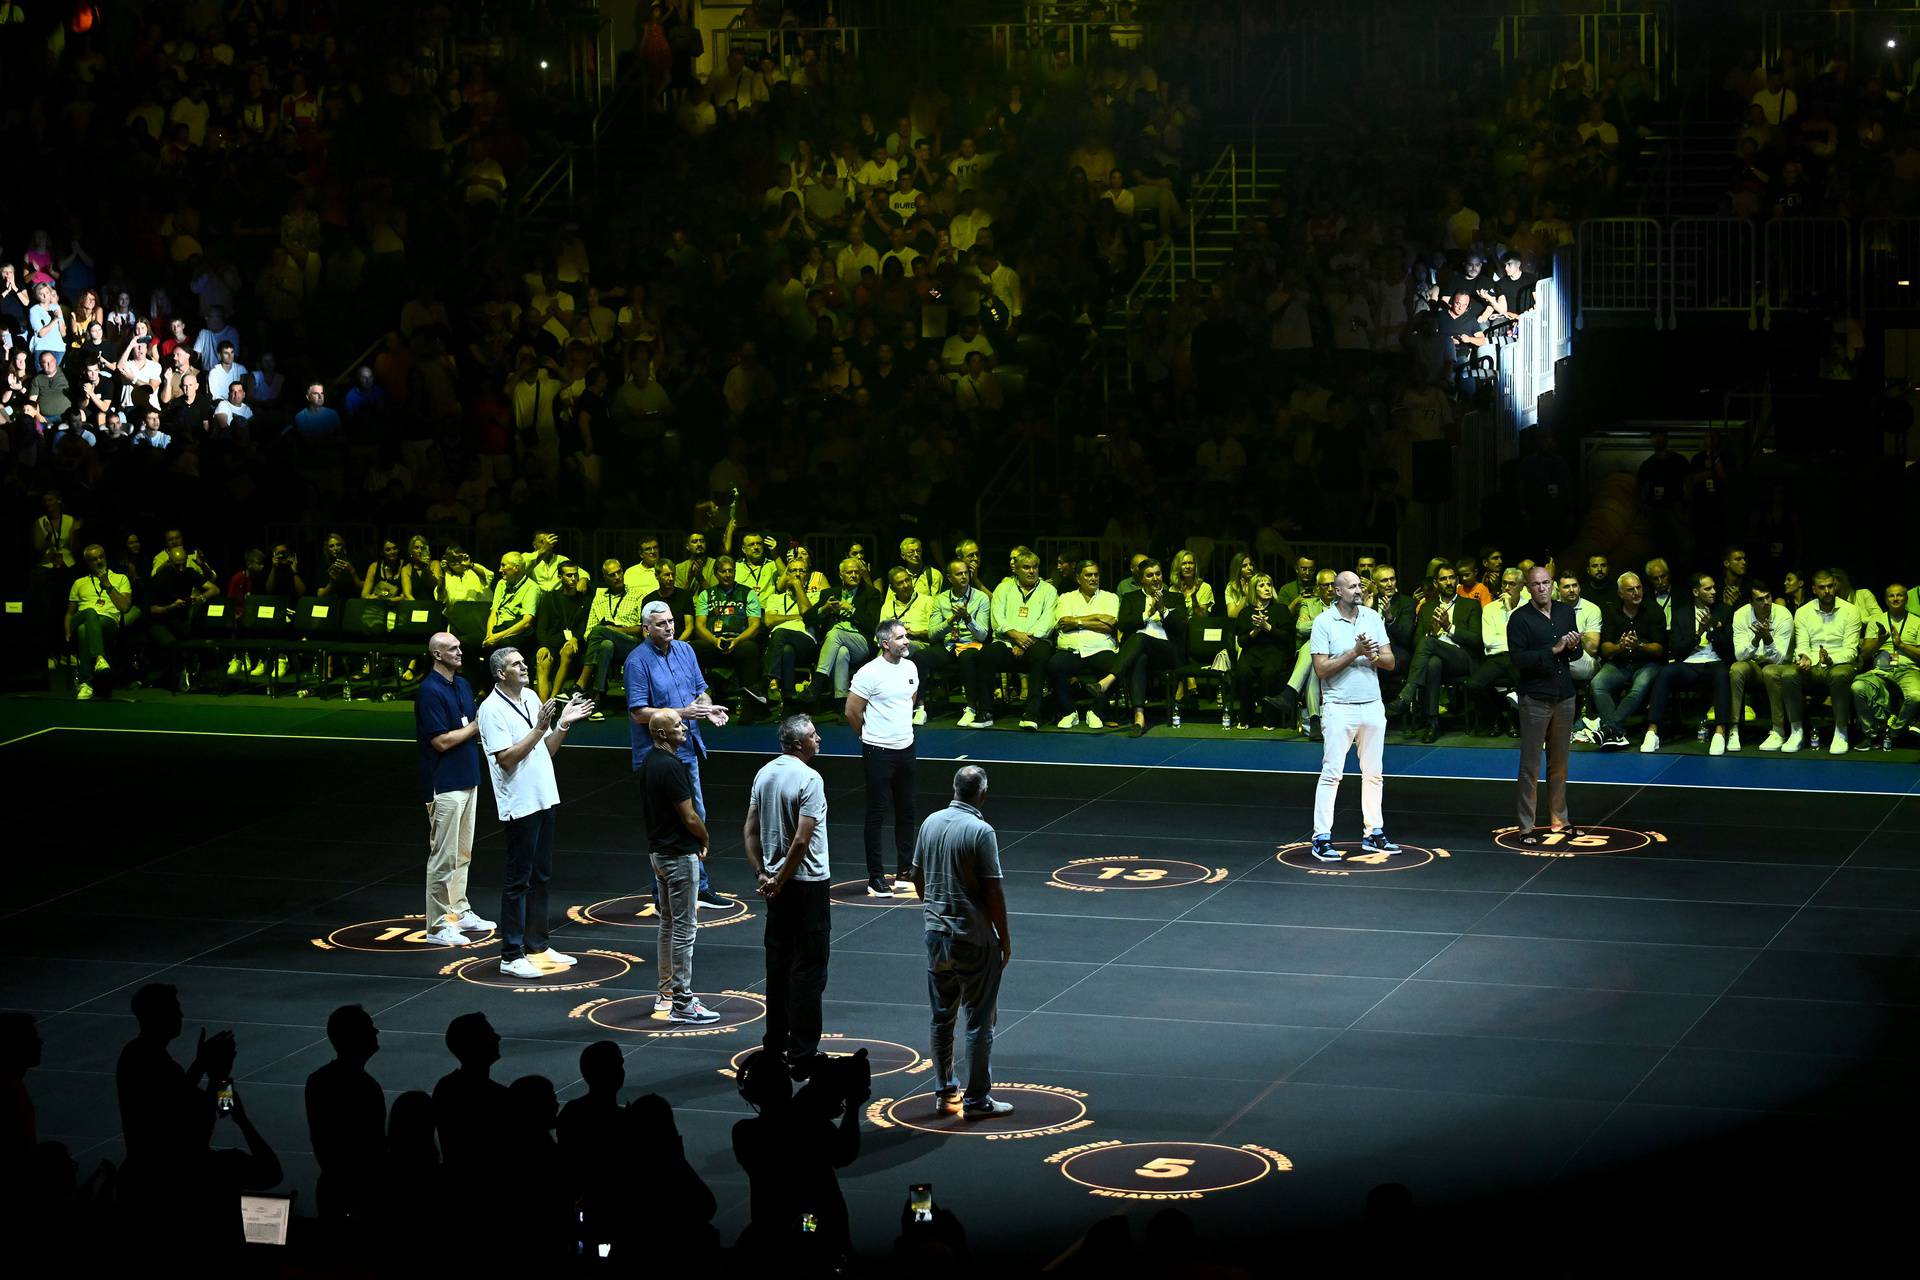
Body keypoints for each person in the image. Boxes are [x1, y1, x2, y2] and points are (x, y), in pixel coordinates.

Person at [476, 648, 595, 979]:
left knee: (541, 877)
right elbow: (507, 758)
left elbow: (547, 750)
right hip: (520, 804)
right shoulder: (491, 710)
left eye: (521, 661)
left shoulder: (529, 696)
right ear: (501, 674)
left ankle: (538, 945)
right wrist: (541, 728)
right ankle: (511, 953)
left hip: (545, 798)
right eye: (516, 663)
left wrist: (562, 726)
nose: (524, 665)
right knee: (518, 880)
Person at [910, 766, 1012, 1119]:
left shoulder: (930, 823)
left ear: (954, 789)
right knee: (979, 1021)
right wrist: (1004, 937)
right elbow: (993, 890)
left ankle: (944, 1091)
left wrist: (933, 911)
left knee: (942, 1018)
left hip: (935, 934)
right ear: (982, 795)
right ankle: (977, 1098)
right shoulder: (981, 831)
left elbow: (917, 877)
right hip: (972, 936)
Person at [628, 600, 731, 910]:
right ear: (646, 628)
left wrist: (707, 707)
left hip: (687, 747)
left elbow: (701, 690)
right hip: (656, 755)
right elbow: (638, 712)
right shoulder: (637, 661)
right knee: (666, 823)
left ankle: (699, 885)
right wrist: (683, 712)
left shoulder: (686, 650)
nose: (669, 627)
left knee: (695, 815)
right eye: (661, 623)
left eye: (671, 621)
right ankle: (663, 893)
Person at [744, 715, 831, 1074]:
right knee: (809, 968)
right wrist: (780, 877)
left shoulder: (764, 773)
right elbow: (801, 839)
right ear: (798, 744)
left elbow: (749, 830)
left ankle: (775, 1044)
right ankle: (803, 1053)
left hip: (775, 886)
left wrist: (762, 873)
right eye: (813, 735)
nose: (819, 738)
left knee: (777, 966)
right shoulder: (810, 779)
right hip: (806, 884)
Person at [1307, 572, 1397, 862]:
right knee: (1332, 773)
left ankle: (1374, 832)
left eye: (1360, 585)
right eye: (1352, 586)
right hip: (1339, 707)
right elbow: (1321, 669)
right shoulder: (1323, 622)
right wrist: (1354, 652)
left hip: (1371, 703)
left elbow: (1390, 661)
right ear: (1337, 591)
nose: (1359, 590)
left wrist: (1370, 655)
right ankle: (1321, 837)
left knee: (1374, 773)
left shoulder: (1372, 617)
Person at [639, 710, 721, 1024]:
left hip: (658, 854)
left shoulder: (649, 762)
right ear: (661, 734)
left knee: (668, 925)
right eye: (677, 725)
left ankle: (666, 993)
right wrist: (704, 837)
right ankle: (683, 1002)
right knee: (685, 929)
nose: (684, 727)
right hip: (678, 856)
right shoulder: (672, 766)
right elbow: (689, 816)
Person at [415, 633, 493, 946]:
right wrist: (476, 726)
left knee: (463, 852)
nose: (460, 652)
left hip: (468, 777)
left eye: (460, 646)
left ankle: (459, 910)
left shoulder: (461, 684)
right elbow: (441, 741)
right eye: (452, 649)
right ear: (436, 654)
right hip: (444, 783)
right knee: (443, 856)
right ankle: (436, 925)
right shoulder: (429, 691)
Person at [1508, 566, 1584, 846]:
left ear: (1553, 585)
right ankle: (1526, 826)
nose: (1542, 588)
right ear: (1528, 588)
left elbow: (1576, 652)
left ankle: (1559, 819)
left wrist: (1574, 646)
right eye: (1536, 584)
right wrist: (1551, 650)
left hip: (1565, 695)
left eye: (1546, 583)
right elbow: (1517, 659)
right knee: (1530, 765)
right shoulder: (1519, 619)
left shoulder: (1566, 612)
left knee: (1559, 763)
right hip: (1535, 697)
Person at [848, 619, 920, 897]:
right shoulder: (869, 673)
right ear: (884, 643)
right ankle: (875, 877)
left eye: (906, 635)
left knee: (907, 810)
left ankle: (905, 871)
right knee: (877, 814)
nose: (906, 641)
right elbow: (852, 711)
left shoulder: (911, 667)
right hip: (878, 751)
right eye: (900, 637)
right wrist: (869, 736)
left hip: (906, 748)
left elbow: (909, 700)